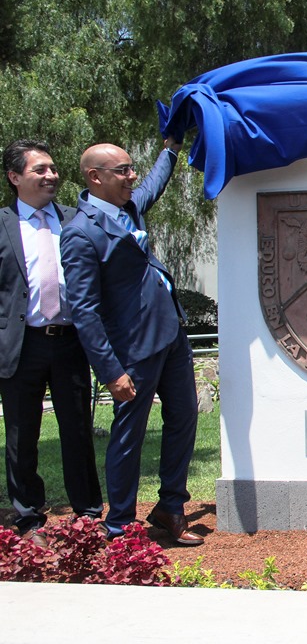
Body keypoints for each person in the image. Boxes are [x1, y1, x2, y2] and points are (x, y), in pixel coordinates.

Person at [60, 137, 203, 546]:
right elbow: (84, 311)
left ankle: (170, 508)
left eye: (130, 168)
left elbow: (153, 184)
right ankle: (120, 525)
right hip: (133, 350)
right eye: (122, 170)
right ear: (95, 177)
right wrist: (111, 372)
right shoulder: (80, 233)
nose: (132, 176)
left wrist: (170, 150)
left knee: (184, 420)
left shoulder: (129, 207)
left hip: (171, 334)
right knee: (129, 436)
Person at [0, 140, 103, 546]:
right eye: (40, 170)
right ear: (14, 177)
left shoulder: (75, 220)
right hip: (20, 346)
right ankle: (28, 520)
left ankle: (88, 516)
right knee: (21, 436)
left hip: (69, 342)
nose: (51, 176)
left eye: (53, 168)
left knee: (77, 431)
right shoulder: (4, 223)